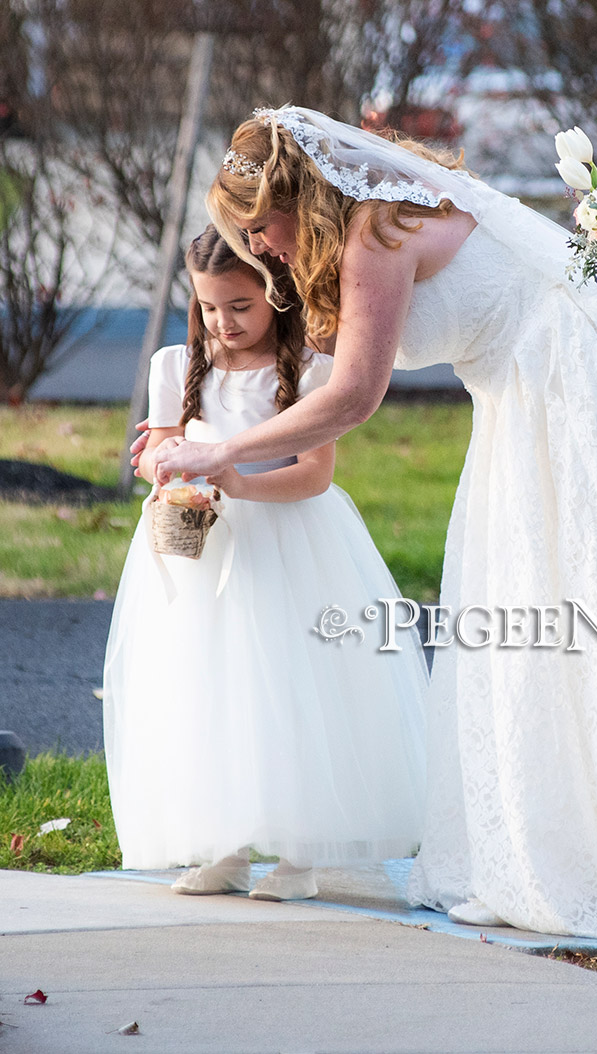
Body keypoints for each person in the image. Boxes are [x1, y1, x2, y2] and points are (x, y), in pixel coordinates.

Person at [140, 106, 597, 940]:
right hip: (518, 392)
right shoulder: (358, 232)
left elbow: (352, 398)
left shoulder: (376, 233)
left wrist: (214, 455)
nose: (261, 246)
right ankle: (553, 848)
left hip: (569, 381)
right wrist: (183, 433)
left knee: (586, 607)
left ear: (301, 197)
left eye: (262, 227)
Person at [105, 225, 427, 899]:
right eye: (210, 307)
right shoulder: (174, 367)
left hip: (288, 546)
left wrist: (237, 482)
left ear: (275, 297)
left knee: (289, 690)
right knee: (209, 690)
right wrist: (160, 468)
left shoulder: (308, 370)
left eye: (240, 307)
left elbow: (314, 476)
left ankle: (299, 856)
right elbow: (164, 450)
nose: (223, 322)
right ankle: (223, 846)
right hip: (199, 552)